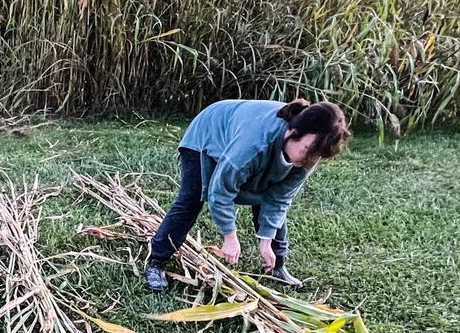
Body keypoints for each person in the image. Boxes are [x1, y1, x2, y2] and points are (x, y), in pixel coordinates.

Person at [145, 98, 351, 292]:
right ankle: (156, 261)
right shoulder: (253, 144)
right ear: (293, 132)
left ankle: (277, 266)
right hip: (207, 135)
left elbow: (279, 198)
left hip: (245, 139)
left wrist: (266, 241)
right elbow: (221, 190)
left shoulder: (308, 154)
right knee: (191, 199)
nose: (310, 160)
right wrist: (230, 236)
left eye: (317, 155)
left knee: (268, 198)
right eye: (308, 150)